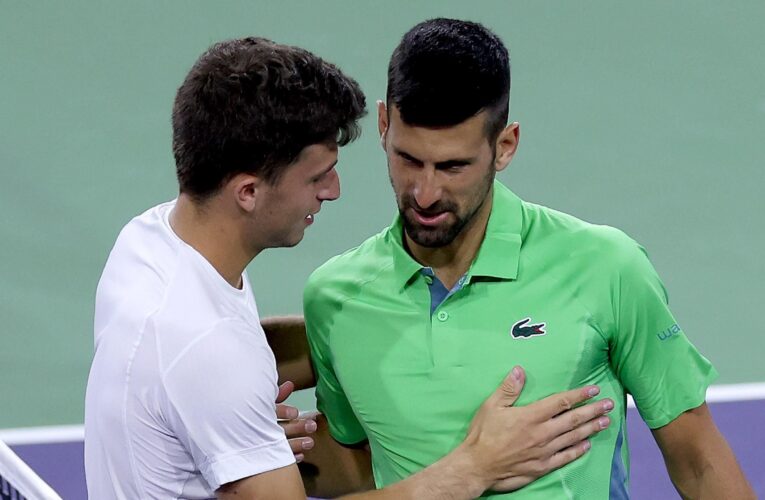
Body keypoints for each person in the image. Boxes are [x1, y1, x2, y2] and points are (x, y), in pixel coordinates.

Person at [84, 36, 615, 500]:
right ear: (248, 191)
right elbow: (210, 362)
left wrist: (229, 420)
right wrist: (473, 468)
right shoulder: (211, 354)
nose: (332, 191)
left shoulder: (149, 241)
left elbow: (203, 365)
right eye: (318, 176)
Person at [302, 18, 755, 499]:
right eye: (409, 159)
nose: (425, 193)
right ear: (383, 126)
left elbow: (699, 461)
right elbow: (355, 462)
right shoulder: (335, 299)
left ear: (505, 146)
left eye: (453, 166)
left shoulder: (604, 268)